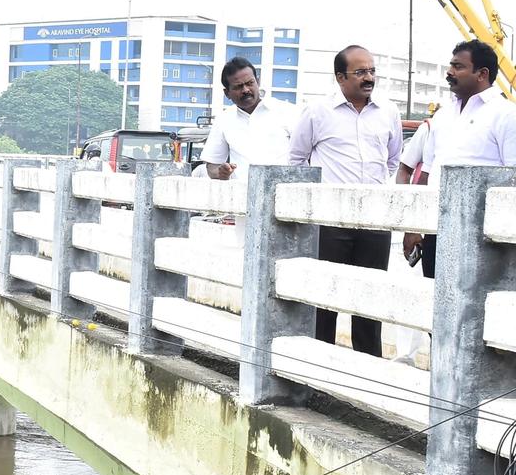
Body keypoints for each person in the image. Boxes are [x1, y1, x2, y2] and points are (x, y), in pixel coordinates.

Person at [289, 45, 403, 358]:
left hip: (376, 218)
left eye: (372, 71)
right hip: (330, 220)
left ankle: (369, 373)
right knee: (324, 298)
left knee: (369, 298)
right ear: (340, 77)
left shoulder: (388, 112)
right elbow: (297, 160)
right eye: (360, 72)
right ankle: (318, 367)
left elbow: (392, 161)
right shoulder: (317, 112)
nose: (369, 78)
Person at [399, 39, 516, 278]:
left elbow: (512, 181)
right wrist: (412, 227)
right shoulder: (442, 116)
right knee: (432, 301)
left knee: (477, 309)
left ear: (482, 73)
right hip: (437, 229)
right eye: (450, 65)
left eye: (458, 66)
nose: (449, 72)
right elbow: (426, 175)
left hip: (482, 235)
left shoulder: (506, 115)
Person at [203, 57, 300, 180]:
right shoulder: (224, 119)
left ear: (257, 82)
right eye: (238, 87)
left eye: (250, 83)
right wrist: (220, 172)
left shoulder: (288, 112)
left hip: (283, 194)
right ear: (227, 93)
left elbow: (307, 157)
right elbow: (212, 165)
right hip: (242, 195)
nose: (245, 90)